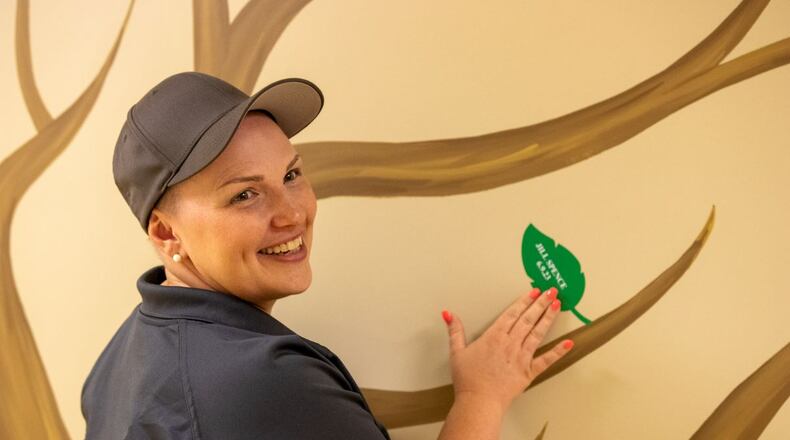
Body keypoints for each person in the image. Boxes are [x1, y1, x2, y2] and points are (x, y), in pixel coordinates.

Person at [81, 71, 574, 439]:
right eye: (245, 195)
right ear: (168, 234)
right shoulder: (266, 380)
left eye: (291, 175)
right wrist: (480, 397)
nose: (292, 214)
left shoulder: (118, 360)